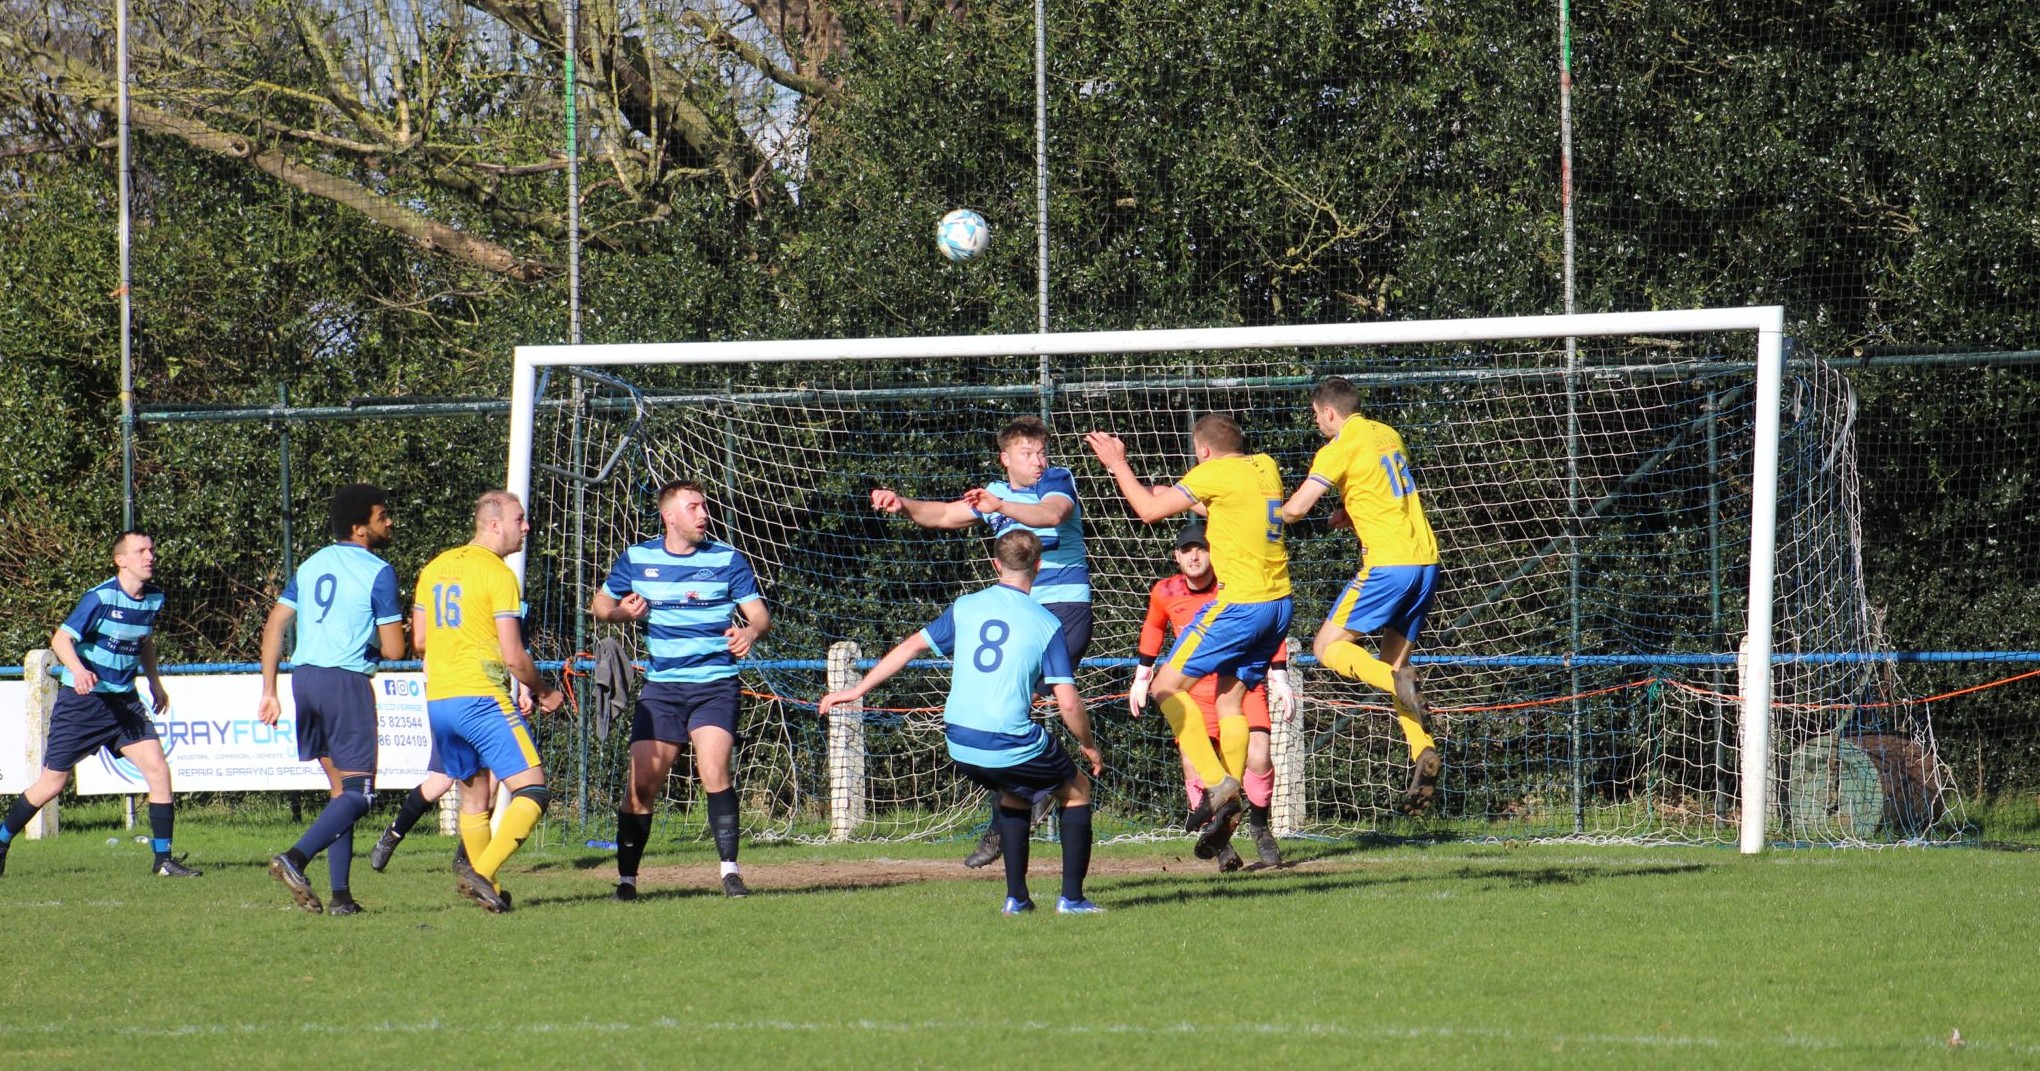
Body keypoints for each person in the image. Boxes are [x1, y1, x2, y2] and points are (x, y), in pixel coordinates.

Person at [819, 529, 1104, 915]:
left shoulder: (966, 606)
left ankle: (1017, 899)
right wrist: (1087, 744)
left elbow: (909, 647)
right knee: (1077, 789)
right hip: (1006, 738)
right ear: (1038, 567)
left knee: (1014, 792)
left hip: (958, 740)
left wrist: (856, 691)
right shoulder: (1046, 623)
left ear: (995, 565)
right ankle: (1072, 899)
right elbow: (1067, 702)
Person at [869, 415, 1091, 869]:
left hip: (1063, 613)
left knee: (1022, 709)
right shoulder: (994, 492)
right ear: (1005, 458)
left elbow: (1051, 515)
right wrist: (902, 503)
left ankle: (1021, 804)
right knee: (1007, 713)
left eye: (1041, 451)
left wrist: (1000, 506)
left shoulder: (1056, 481)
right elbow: (946, 514)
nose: (1038, 460)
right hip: (1018, 615)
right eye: (1028, 453)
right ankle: (1031, 794)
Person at [1086, 413, 1293, 857]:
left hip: (1241, 605)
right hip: (1280, 604)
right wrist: (1180, 498)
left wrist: (1118, 464)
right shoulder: (1264, 467)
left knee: (1164, 686)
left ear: (1202, 452)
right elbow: (1225, 507)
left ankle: (1218, 785)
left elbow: (1146, 511)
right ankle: (1231, 794)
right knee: (1230, 700)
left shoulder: (1212, 471)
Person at [590, 479, 771, 901]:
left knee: (714, 771)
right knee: (640, 785)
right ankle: (627, 881)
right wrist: (620, 613)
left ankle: (730, 873)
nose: (703, 514)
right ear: (669, 516)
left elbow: (760, 615)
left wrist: (751, 631)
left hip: (714, 686)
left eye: (704, 506)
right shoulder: (638, 557)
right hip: (662, 690)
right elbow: (600, 604)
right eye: (693, 507)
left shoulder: (727, 559)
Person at [1278, 376, 1443, 812]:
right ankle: (1421, 748)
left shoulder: (1338, 448)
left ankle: (1397, 681)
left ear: (1329, 412)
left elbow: (1296, 508)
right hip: (1425, 562)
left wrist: (1250, 511)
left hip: (1388, 565)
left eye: (1316, 416)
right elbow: (1385, 491)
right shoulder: (1388, 434)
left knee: (1326, 647)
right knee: (1392, 665)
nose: (1317, 423)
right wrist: (1348, 513)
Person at [0, 531, 200, 878]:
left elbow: (146, 641)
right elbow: (61, 638)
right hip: (84, 703)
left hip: (124, 702)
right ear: (120, 560)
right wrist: (77, 670)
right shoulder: (100, 598)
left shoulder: (154, 598)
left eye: (151, 550)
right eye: (141, 551)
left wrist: (154, 682)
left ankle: (163, 860)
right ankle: (2, 841)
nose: (150, 556)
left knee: (158, 769)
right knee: (52, 784)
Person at [257, 484, 407, 915]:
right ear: (360, 528)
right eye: (383, 515)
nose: (390, 521)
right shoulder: (378, 571)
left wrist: (269, 690)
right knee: (360, 796)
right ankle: (295, 858)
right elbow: (395, 649)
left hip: (304, 680)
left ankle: (341, 896)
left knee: (341, 791)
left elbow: (274, 626)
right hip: (345, 683)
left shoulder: (311, 564)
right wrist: (380, 647)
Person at [413, 490, 565, 912]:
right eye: (520, 519)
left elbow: (421, 640)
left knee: (475, 796)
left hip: (440, 699)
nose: (527, 526)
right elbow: (515, 656)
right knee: (532, 789)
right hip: (480, 697)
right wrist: (547, 691)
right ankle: (481, 873)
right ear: (495, 524)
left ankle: (490, 890)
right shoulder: (499, 575)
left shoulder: (435, 567)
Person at [1130, 519, 1295, 869]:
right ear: (1177, 556)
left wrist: (1278, 673)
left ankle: (1260, 826)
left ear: (1213, 552)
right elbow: (1152, 628)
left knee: (1261, 756)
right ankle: (1221, 844)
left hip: (1237, 681)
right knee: (1192, 764)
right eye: (1187, 549)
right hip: (1194, 690)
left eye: (1201, 548)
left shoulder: (1233, 587)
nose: (1194, 555)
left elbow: (1266, 620)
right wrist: (1142, 675)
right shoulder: (1164, 592)